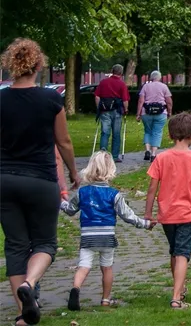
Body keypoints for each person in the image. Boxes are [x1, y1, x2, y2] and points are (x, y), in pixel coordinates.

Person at [1, 38, 79, 326]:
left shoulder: (1, 100)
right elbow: (64, 141)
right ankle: (29, 284)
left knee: (15, 245)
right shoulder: (51, 100)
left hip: (5, 180)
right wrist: (73, 171)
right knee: (46, 243)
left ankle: (24, 315)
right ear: (38, 66)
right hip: (41, 180)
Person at [60, 151, 154, 311]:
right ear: (111, 170)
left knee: (84, 266)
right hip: (107, 237)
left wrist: (60, 202)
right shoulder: (114, 195)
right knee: (107, 268)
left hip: (88, 237)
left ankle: (75, 289)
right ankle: (105, 299)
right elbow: (127, 215)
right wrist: (145, 224)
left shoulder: (82, 192)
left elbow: (70, 210)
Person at [145, 113, 191, 310]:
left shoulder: (161, 158)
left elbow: (152, 188)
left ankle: (180, 287)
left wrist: (148, 213)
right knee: (183, 253)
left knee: (174, 252)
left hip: (167, 214)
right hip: (187, 214)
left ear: (170, 135)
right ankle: (176, 297)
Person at [93, 65, 130, 163]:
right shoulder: (122, 84)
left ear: (112, 71)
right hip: (117, 111)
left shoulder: (103, 82)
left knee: (105, 133)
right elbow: (125, 100)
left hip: (105, 111)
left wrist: (99, 107)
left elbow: (97, 96)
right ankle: (114, 156)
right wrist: (126, 109)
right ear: (121, 73)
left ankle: (102, 155)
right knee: (116, 134)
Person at [136, 70, 173, 161]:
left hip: (146, 112)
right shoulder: (164, 86)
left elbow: (141, 101)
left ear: (151, 77)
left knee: (148, 131)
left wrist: (138, 113)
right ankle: (153, 154)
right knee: (157, 132)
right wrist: (169, 112)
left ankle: (147, 150)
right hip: (161, 113)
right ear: (159, 77)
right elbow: (169, 101)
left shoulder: (145, 86)